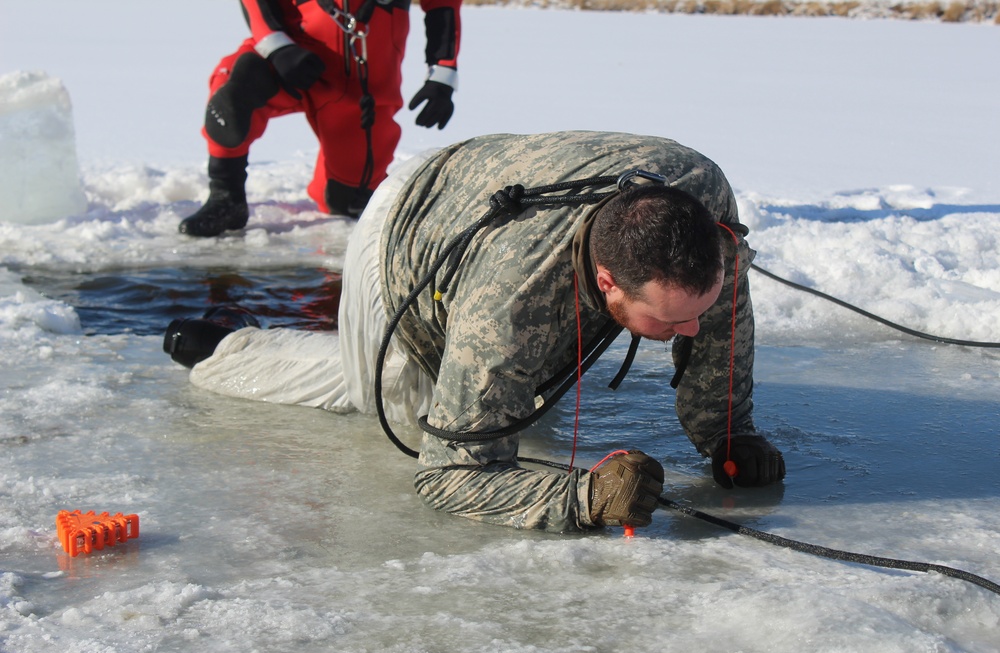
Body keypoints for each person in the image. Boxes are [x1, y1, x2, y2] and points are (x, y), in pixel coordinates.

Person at [164, 131, 786, 533]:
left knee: (519, 406)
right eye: (673, 321)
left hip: (485, 199)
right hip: (405, 232)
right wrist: (585, 500)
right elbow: (448, 472)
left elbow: (724, 318)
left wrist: (729, 433)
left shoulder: (703, 211)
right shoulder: (508, 304)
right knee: (400, 402)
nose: (692, 328)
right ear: (606, 282)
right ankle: (232, 348)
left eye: (695, 308)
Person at [179, 0, 462, 238]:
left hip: (364, 80)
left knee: (346, 201)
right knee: (236, 89)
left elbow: (442, 5)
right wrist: (277, 46)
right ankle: (225, 195)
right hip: (291, 52)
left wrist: (442, 73)